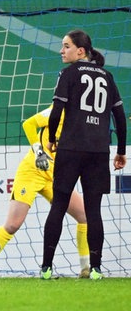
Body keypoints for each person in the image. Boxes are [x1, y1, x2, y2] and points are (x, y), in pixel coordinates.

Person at [41, 29, 126, 280]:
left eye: (66, 46)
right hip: (99, 151)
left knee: (58, 206)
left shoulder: (68, 74)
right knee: (93, 211)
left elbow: (56, 112)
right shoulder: (108, 76)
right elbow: (120, 118)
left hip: (71, 149)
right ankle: (97, 269)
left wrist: (53, 138)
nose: (61, 50)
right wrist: (121, 150)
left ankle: (46, 268)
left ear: (81, 51)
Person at [0, 105, 90, 279]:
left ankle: (85, 269)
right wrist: (39, 151)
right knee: (13, 224)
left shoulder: (84, 121)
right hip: (32, 171)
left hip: (56, 176)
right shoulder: (59, 110)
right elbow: (29, 124)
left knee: (84, 216)